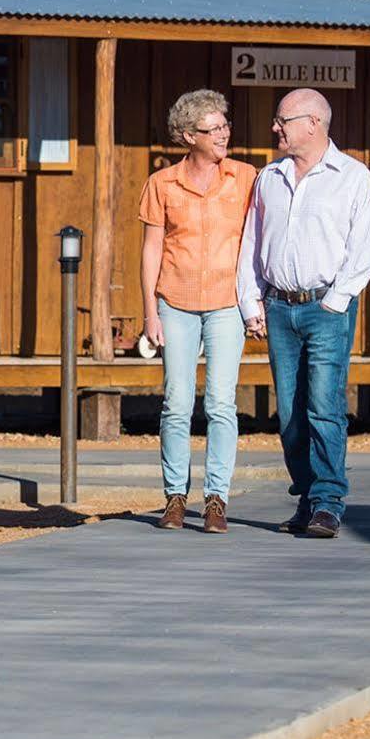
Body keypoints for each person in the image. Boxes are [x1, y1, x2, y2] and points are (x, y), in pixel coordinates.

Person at [237, 88, 370, 539]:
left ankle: (327, 501)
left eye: (283, 119)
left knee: (324, 404)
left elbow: (367, 245)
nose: (275, 127)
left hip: (326, 306)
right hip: (279, 307)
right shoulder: (270, 178)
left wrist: (336, 301)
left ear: (313, 124)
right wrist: (251, 301)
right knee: (290, 412)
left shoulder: (353, 178)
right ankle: (306, 492)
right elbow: (251, 242)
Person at [139, 89, 257, 534]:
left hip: (227, 303)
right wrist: (150, 312)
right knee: (176, 401)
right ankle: (174, 496)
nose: (224, 133)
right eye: (214, 129)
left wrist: (256, 301)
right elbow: (151, 250)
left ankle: (216, 499)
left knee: (222, 402)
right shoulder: (162, 184)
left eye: (226, 125)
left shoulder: (246, 177)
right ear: (189, 136)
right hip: (176, 302)